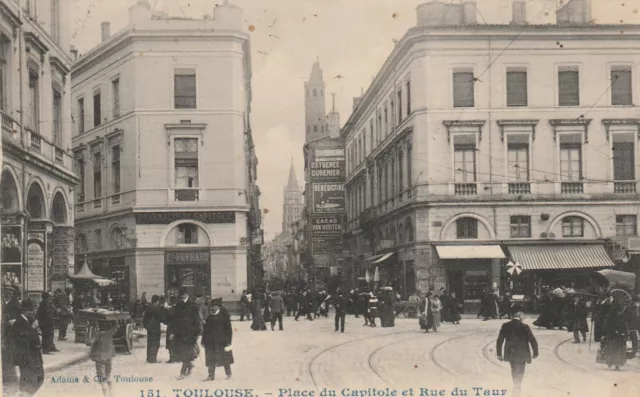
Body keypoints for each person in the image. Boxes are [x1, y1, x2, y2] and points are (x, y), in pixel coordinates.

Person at [496, 305, 539, 397]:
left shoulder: (505, 325)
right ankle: (518, 384)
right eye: (523, 315)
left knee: (513, 368)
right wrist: (535, 352)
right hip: (522, 352)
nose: (523, 317)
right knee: (521, 369)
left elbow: (500, 340)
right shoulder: (524, 326)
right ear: (519, 314)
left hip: (510, 352)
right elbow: (532, 340)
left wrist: (499, 354)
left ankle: (516, 383)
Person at [9, 299, 45, 397]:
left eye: (32, 310)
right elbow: (22, 339)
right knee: (29, 378)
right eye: (30, 310)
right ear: (24, 311)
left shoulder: (29, 320)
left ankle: (25, 394)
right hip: (25, 355)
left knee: (38, 377)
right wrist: (32, 328)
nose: (32, 312)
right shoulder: (18, 322)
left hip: (33, 355)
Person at [171, 288, 203, 379]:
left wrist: (197, 332)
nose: (182, 296)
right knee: (181, 352)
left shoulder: (193, 305)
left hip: (190, 333)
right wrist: (173, 331)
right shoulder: (178, 305)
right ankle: (189, 365)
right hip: (180, 333)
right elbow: (175, 319)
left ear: (187, 295)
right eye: (181, 294)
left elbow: (196, 320)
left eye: (184, 294)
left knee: (186, 352)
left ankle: (182, 373)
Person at [202, 299, 233, 381]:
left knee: (225, 358)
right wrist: (203, 341)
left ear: (218, 307)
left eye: (214, 306)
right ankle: (211, 375)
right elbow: (205, 330)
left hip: (222, 342)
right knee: (211, 359)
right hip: (210, 342)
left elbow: (229, 330)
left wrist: (228, 342)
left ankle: (228, 373)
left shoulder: (224, 316)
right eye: (211, 306)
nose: (212, 308)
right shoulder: (210, 317)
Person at [88, 320, 118, 397]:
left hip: (100, 358)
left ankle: (105, 395)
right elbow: (116, 326)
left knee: (102, 377)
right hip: (109, 356)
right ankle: (111, 392)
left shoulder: (97, 335)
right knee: (108, 375)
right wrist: (115, 319)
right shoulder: (110, 332)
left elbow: (89, 342)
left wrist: (88, 331)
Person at [600, 301, 628, 370]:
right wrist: (613, 330)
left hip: (620, 336)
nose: (619, 312)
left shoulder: (623, 316)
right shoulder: (610, 317)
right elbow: (607, 326)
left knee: (618, 351)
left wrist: (624, 333)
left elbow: (625, 326)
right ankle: (610, 361)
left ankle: (617, 364)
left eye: (620, 311)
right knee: (612, 350)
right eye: (618, 311)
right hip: (612, 336)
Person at [142, 295, 162, 363]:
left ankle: (149, 358)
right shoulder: (157, 308)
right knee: (155, 343)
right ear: (157, 301)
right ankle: (153, 359)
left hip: (149, 328)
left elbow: (144, 319)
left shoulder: (148, 307)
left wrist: (146, 326)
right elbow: (160, 318)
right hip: (155, 327)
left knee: (150, 343)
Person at [162, 296, 179, 363]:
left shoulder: (170, 310)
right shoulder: (180, 309)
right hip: (178, 328)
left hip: (171, 328)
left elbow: (165, 320)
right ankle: (178, 357)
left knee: (171, 343)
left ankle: (172, 358)